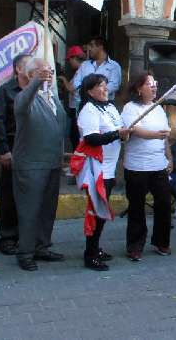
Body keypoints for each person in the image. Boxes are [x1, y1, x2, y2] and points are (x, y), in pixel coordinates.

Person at [11, 58, 67, 271]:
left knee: (47, 210)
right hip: (31, 165)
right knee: (30, 211)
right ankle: (25, 252)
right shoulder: (24, 98)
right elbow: (24, 101)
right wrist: (36, 82)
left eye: (50, 71)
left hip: (52, 163)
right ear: (30, 74)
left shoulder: (52, 97)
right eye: (42, 71)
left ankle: (42, 246)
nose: (48, 74)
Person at [77, 74, 130, 271]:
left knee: (101, 212)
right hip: (96, 169)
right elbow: (91, 139)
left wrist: (123, 133)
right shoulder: (88, 110)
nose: (105, 89)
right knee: (95, 212)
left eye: (106, 85)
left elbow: (119, 130)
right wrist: (117, 134)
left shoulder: (109, 107)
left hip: (109, 168)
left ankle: (95, 247)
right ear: (90, 90)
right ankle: (89, 255)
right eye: (100, 86)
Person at [120, 72, 173, 261]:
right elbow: (135, 130)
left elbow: (165, 137)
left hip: (158, 165)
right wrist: (154, 135)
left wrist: (169, 157)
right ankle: (135, 246)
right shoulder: (129, 108)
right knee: (136, 207)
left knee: (165, 204)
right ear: (138, 88)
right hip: (137, 166)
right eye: (149, 84)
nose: (153, 87)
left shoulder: (158, 109)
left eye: (154, 83)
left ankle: (161, 241)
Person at [0, 53, 31, 255]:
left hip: (33, 147)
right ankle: (7, 236)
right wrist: (4, 150)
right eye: (29, 65)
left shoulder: (39, 90)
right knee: (9, 194)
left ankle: (26, 235)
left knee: (30, 194)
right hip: (13, 144)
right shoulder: (6, 91)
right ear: (18, 69)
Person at [72, 37, 122, 106]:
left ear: (100, 47)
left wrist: (95, 93)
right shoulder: (84, 65)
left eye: (92, 46)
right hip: (85, 103)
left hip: (105, 104)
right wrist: (86, 93)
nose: (89, 49)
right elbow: (76, 82)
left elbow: (114, 85)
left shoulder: (114, 66)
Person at [59, 46, 85, 150]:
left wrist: (63, 79)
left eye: (70, 60)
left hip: (77, 107)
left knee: (75, 135)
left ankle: (77, 158)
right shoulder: (79, 71)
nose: (69, 63)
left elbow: (72, 89)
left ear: (75, 58)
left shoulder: (82, 70)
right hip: (74, 107)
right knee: (73, 134)